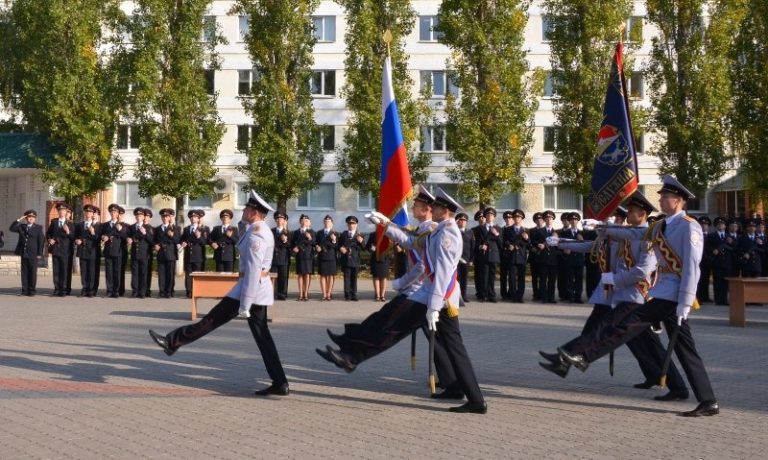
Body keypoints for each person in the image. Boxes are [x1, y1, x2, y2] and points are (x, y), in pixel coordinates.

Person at [549, 176, 719, 417]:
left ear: (679, 201)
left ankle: (583, 355)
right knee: (682, 347)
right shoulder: (661, 226)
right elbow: (636, 235)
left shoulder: (689, 226)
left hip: (673, 295)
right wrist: (603, 228)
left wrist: (685, 301)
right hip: (664, 292)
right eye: (661, 196)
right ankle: (707, 399)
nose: (660, 199)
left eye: (665, 196)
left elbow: (692, 266)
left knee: (629, 326)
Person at [318, 188, 487, 413]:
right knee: (451, 347)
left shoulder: (448, 233)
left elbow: (444, 274)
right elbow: (413, 243)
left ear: (444, 211)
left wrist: (434, 307)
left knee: (395, 331)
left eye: (435, 207)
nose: (431, 210)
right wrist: (387, 225)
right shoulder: (440, 231)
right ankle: (466, 393)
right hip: (431, 296)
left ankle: (352, 357)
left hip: (438, 299)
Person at [539, 191, 688, 399]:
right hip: (620, 295)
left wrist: (615, 280)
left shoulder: (648, 236)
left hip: (638, 296)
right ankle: (666, 381)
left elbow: (643, 270)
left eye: (631, 212)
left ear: (643, 214)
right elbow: (595, 247)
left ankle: (568, 358)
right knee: (641, 343)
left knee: (605, 332)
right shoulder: (627, 234)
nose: (626, 216)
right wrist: (563, 243)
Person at [149, 191, 289, 396]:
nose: (244, 210)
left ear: (255, 212)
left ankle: (172, 342)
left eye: (248, 209)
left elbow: (252, 270)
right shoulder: (258, 228)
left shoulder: (258, 235)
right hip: (254, 288)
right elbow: (245, 243)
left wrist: (245, 304)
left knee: (212, 320)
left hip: (250, 290)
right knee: (262, 337)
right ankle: (280, 382)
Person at [10, 209, 45, 296]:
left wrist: (39, 253)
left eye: (33, 217)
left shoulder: (38, 228)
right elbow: (12, 228)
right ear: (26, 218)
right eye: (29, 217)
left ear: (35, 219)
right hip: (24, 252)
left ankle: (32, 290)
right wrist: (19, 219)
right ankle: (24, 290)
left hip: (33, 253)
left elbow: (41, 241)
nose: (31, 219)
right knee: (24, 273)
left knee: (32, 272)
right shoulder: (22, 226)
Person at [46, 202, 75, 296]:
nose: (61, 212)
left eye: (63, 210)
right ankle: (57, 288)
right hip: (56, 250)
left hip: (66, 251)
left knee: (65, 270)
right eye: (59, 210)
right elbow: (48, 233)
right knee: (56, 270)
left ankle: (65, 289)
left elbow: (73, 237)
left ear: (66, 211)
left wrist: (68, 231)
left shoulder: (70, 223)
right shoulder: (54, 222)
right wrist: (49, 239)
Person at [531, 210, 559, 303]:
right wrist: (538, 244)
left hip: (553, 259)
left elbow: (559, 245)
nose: (549, 220)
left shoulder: (556, 232)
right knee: (543, 279)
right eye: (546, 218)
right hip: (542, 258)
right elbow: (534, 241)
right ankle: (544, 297)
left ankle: (551, 297)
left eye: (550, 218)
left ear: (553, 220)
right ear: (544, 220)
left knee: (552, 280)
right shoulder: (539, 231)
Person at [100, 204, 127, 298]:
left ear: (118, 214)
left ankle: (116, 290)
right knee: (109, 272)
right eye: (111, 212)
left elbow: (125, 237)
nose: (113, 213)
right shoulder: (105, 225)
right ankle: (109, 290)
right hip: (108, 251)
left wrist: (120, 230)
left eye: (115, 212)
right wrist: (103, 237)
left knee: (117, 271)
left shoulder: (122, 225)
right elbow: (101, 235)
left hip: (118, 251)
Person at [182, 209, 209, 298]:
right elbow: (182, 239)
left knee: (198, 274)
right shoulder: (186, 229)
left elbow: (205, 242)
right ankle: (189, 291)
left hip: (198, 255)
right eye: (192, 217)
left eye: (195, 217)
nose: (193, 218)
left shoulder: (203, 229)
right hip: (188, 255)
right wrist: (183, 242)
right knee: (188, 274)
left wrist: (199, 237)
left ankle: (198, 291)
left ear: (198, 219)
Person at [127, 207, 154, 298]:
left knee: (143, 273)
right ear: (135, 217)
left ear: (143, 217)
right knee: (135, 273)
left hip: (144, 254)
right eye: (137, 215)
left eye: (141, 215)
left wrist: (145, 233)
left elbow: (152, 241)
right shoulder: (131, 227)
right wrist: (129, 239)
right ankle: (135, 291)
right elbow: (128, 237)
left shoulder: (148, 227)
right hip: (135, 253)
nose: (139, 217)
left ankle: (142, 292)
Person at [154, 208, 180, 298]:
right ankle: (162, 291)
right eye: (163, 216)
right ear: (161, 218)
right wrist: (155, 245)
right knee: (161, 274)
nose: (165, 218)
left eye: (167, 216)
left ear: (170, 218)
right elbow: (154, 240)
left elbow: (178, 241)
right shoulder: (157, 229)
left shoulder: (175, 228)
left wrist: (172, 235)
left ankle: (169, 291)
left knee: (170, 274)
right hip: (161, 254)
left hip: (170, 254)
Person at [559, 212, 585, 303]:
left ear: (578, 221)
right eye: (572, 220)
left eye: (575, 220)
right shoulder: (564, 233)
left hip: (579, 259)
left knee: (579, 279)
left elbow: (587, 246)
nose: (573, 221)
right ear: (569, 221)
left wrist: (582, 240)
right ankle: (570, 296)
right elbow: (560, 244)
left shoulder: (582, 232)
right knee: (569, 278)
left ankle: (578, 297)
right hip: (569, 259)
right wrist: (564, 250)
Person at [338, 215, 364, 301]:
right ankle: (347, 294)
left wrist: (361, 241)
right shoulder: (343, 234)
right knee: (347, 277)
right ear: (347, 225)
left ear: (356, 224)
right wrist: (340, 248)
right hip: (346, 259)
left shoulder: (360, 235)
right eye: (349, 224)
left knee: (354, 277)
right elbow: (338, 244)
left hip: (355, 259)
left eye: (353, 223)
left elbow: (364, 247)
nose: (351, 225)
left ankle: (354, 294)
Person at [505, 209, 529, 303]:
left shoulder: (525, 230)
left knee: (521, 278)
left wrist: (526, 238)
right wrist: (508, 245)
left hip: (521, 257)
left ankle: (520, 296)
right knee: (512, 278)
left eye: (519, 217)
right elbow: (505, 240)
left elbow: (528, 244)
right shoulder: (508, 229)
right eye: (515, 217)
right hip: (511, 257)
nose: (517, 219)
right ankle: (513, 296)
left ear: (521, 219)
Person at [291, 214, 315, 301]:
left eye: (306, 220)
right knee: (300, 274)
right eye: (302, 220)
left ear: (309, 222)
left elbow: (314, 243)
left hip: (308, 256)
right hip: (300, 256)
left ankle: (306, 294)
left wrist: (309, 238)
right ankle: (300, 294)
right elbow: (292, 243)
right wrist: (294, 249)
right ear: (300, 222)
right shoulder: (297, 232)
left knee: (307, 274)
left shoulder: (311, 232)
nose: (304, 222)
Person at [316, 214, 339, 301]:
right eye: (325, 222)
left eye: (328, 222)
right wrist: (317, 247)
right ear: (323, 223)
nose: (327, 223)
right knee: (322, 276)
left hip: (331, 257)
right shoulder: (319, 233)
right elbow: (316, 243)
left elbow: (337, 246)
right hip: (322, 257)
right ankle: (324, 294)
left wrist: (334, 240)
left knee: (330, 276)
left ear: (332, 223)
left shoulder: (335, 233)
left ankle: (329, 293)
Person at [270, 211, 290, 300]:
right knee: (273, 276)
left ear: (284, 220)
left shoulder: (288, 232)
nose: (279, 220)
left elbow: (290, 245)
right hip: (273, 257)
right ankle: (273, 294)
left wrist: (285, 241)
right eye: (277, 218)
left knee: (283, 277)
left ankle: (282, 294)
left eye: (281, 218)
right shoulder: (271, 231)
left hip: (283, 257)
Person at [455, 212, 474, 303]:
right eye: (460, 220)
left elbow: (472, 246)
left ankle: (464, 295)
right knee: (455, 278)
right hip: (454, 259)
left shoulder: (470, 232)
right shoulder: (453, 231)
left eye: (464, 220)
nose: (462, 222)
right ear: (457, 221)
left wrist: (471, 259)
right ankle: (455, 296)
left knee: (464, 278)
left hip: (465, 258)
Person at [366, 232, 390, 301]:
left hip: (384, 258)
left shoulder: (387, 234)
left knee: (384, 277)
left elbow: (390, 245)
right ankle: (377, 295)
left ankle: (382, 295)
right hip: (375, 258)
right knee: (376, 276)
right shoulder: (372, 234)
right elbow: (367, 246)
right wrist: (371, 247)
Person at [143, 208, 155, 297]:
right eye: (144, 216)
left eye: (147, 216)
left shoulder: (152, 229)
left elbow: (152, 241)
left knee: (147, 273)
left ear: (150, 218)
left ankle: (147, 289)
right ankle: (138, 290)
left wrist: (145, 234)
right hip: (138, 253)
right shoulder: (137, 226)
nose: (145, 218)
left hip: (147, 253)